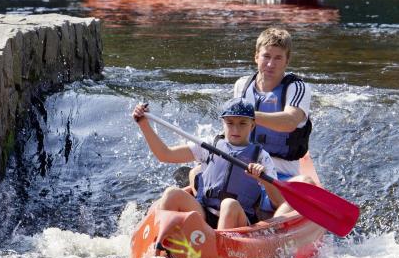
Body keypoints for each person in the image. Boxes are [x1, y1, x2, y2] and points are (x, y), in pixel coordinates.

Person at [132, 99, 284, 229]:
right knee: (172, 193)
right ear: (222, 123)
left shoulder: (262, 158)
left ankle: (219, 254)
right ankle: (163, 246)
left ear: (252, 125)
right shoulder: (208, 146)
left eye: (242, 123)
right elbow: (165, 155)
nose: (235, 129)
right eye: (230, 123)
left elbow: (278, 203)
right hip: (205, 212)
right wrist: (144, 124)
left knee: (229, 204)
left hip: (238, 219)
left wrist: (263, 178)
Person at [233, 28, 318, 216]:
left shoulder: (297, 88)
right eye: (266, 56)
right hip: (247, 170)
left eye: (278, 58)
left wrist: (246, 116)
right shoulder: (242, 86)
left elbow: (289, 121)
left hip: (283, 175)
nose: (270, 64)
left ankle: (275, 226)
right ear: (256, 57)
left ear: (287, 61)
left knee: (306, 184)